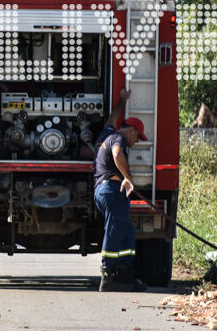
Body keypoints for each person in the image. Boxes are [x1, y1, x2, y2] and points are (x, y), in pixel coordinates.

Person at [93, 88, 149, 292]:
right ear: (131, 130)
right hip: (110, 189)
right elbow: (117, 155)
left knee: (127, 231)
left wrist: (122, 101)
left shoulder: (107, 133)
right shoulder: (118, 139)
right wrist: (128, 178)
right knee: (115, 230)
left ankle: (125, 274)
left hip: (106, 190)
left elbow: (111, 118)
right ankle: (108, 277)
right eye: (138, 137)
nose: (137, 142)